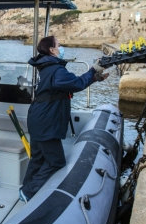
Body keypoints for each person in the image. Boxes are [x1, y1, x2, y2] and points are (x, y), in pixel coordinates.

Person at [19, 36, 108, 202]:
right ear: (52, 50)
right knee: (56, 162)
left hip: (38, 119)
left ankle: (25, 189)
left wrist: (94, 76)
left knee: (38, 158)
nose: (62, 47)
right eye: (59, 45)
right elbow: (76, 83)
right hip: (46, 122)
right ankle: (29, 192)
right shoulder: (56, 70)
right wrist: (92, 72)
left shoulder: (46, 67)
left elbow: (70, 83)